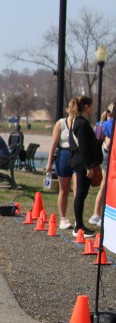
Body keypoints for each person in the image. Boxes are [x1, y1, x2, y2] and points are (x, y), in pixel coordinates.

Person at [69, 96, 102, 239]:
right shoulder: (81, 123)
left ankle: (79, 225)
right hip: (82, 163)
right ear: (86, 106)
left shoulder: (76, 121)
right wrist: (89, 166)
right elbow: (83, 147)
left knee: (81, 194)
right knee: (81, 194)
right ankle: (79, 227)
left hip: (81, 161)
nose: (92, 108)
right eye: (91, 106)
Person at [44, 100, 77, 230]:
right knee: (64, 189)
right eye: (70, 108)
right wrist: (49, 163)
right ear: (67, 109)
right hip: (64, 155)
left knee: (77, 189)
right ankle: (63, 218)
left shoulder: (80, 123)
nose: (72, 110)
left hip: (76, 155)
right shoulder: (61, 123)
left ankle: (78, 218)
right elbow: (53, 144)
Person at [90, 105, 114, 227]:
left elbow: (97, 138)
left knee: (105, 186)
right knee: (105, 185)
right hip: (107, 156)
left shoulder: (101, 124)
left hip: (103, 155)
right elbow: (108, 143)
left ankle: (97, 215)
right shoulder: (108, 124)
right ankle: (97, 215)